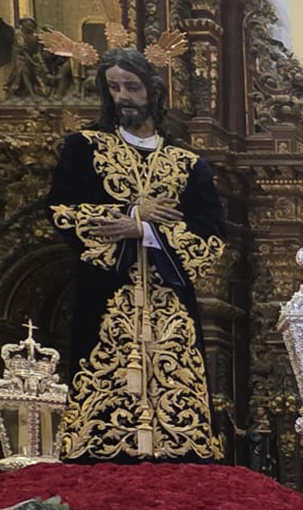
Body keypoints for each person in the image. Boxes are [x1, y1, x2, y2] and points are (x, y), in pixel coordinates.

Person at [45, 48, 227, 462]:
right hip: (105, 296)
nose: (123, 96)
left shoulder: (187, 164)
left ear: (153, 92)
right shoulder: (84, 148)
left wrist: (143, 229)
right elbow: (60, 209)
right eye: (114, 87)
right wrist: (127, 213)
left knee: (177, 389)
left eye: (133, 87)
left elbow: (212, 233)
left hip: (170, 304)